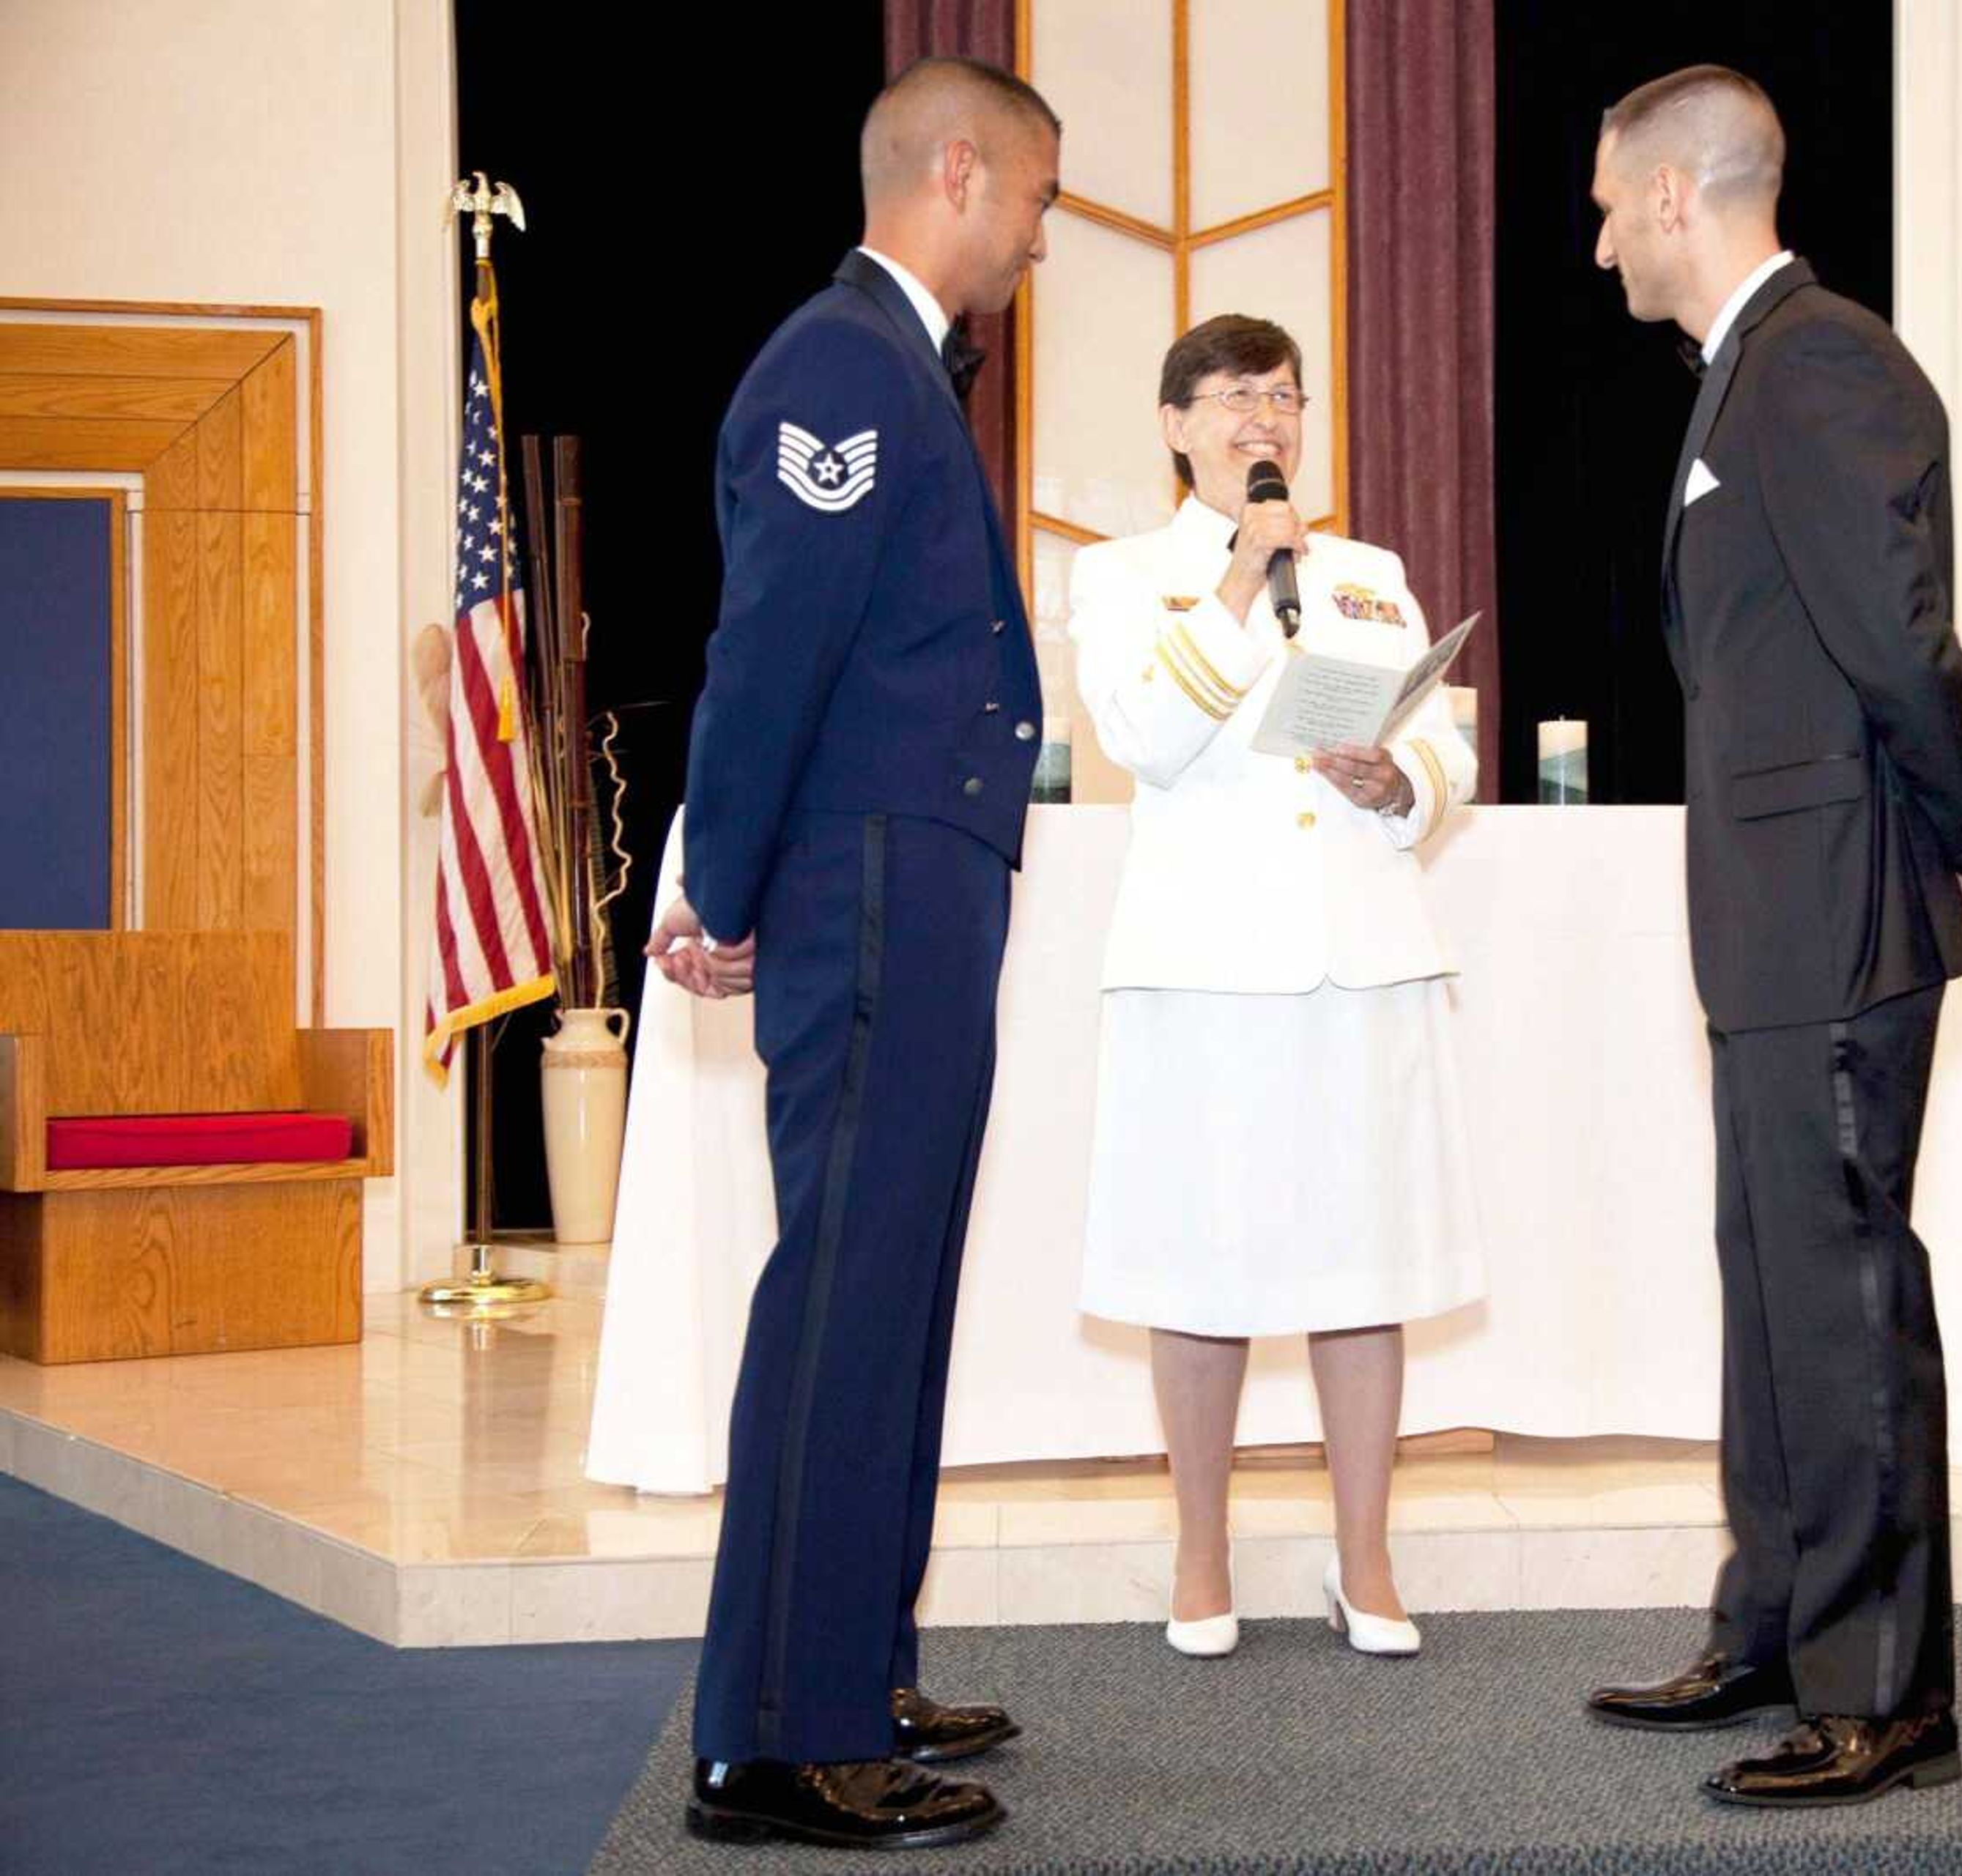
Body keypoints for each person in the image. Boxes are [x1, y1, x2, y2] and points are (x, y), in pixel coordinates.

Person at [1577, 66, 1962, 1809]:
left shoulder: (1822, 361)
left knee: (1846, 1295)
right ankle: (1776, 1624)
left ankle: (1885, 1694)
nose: (1600, 232)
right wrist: (1950, 821)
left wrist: (1953, 831)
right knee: (1776, 1282)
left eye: (1610, 199)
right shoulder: (1742, 382)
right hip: (1780, 921)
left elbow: (1900, 643)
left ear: (1679, 197)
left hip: (1837, 918)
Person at [647, 56, 1059, 1853]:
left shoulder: (898, 370)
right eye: (1038, 204)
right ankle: (776, 1736)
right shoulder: (842, 364)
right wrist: (724, 886)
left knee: (893, 1289)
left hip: (919, 872)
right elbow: (774, 647)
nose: (1041, 243)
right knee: (841, 1297)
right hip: (874, 875)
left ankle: (853, 1665)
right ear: (959, 171)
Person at [1065, 314, 1485, 1662]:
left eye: (1286, 396)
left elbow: (1443, 748)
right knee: (1204, 1266)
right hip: (1207, 970)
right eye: (1235, 397)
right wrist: (1243, 582)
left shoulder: (1366, 571)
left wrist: (1400, 778)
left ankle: (1365, 1559)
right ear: (1178, 424)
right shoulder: (1125, 576)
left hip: (1359, 950)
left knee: (1367, 1265)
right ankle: (1201, 1558)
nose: (1265, 420)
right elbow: (1144, 736)